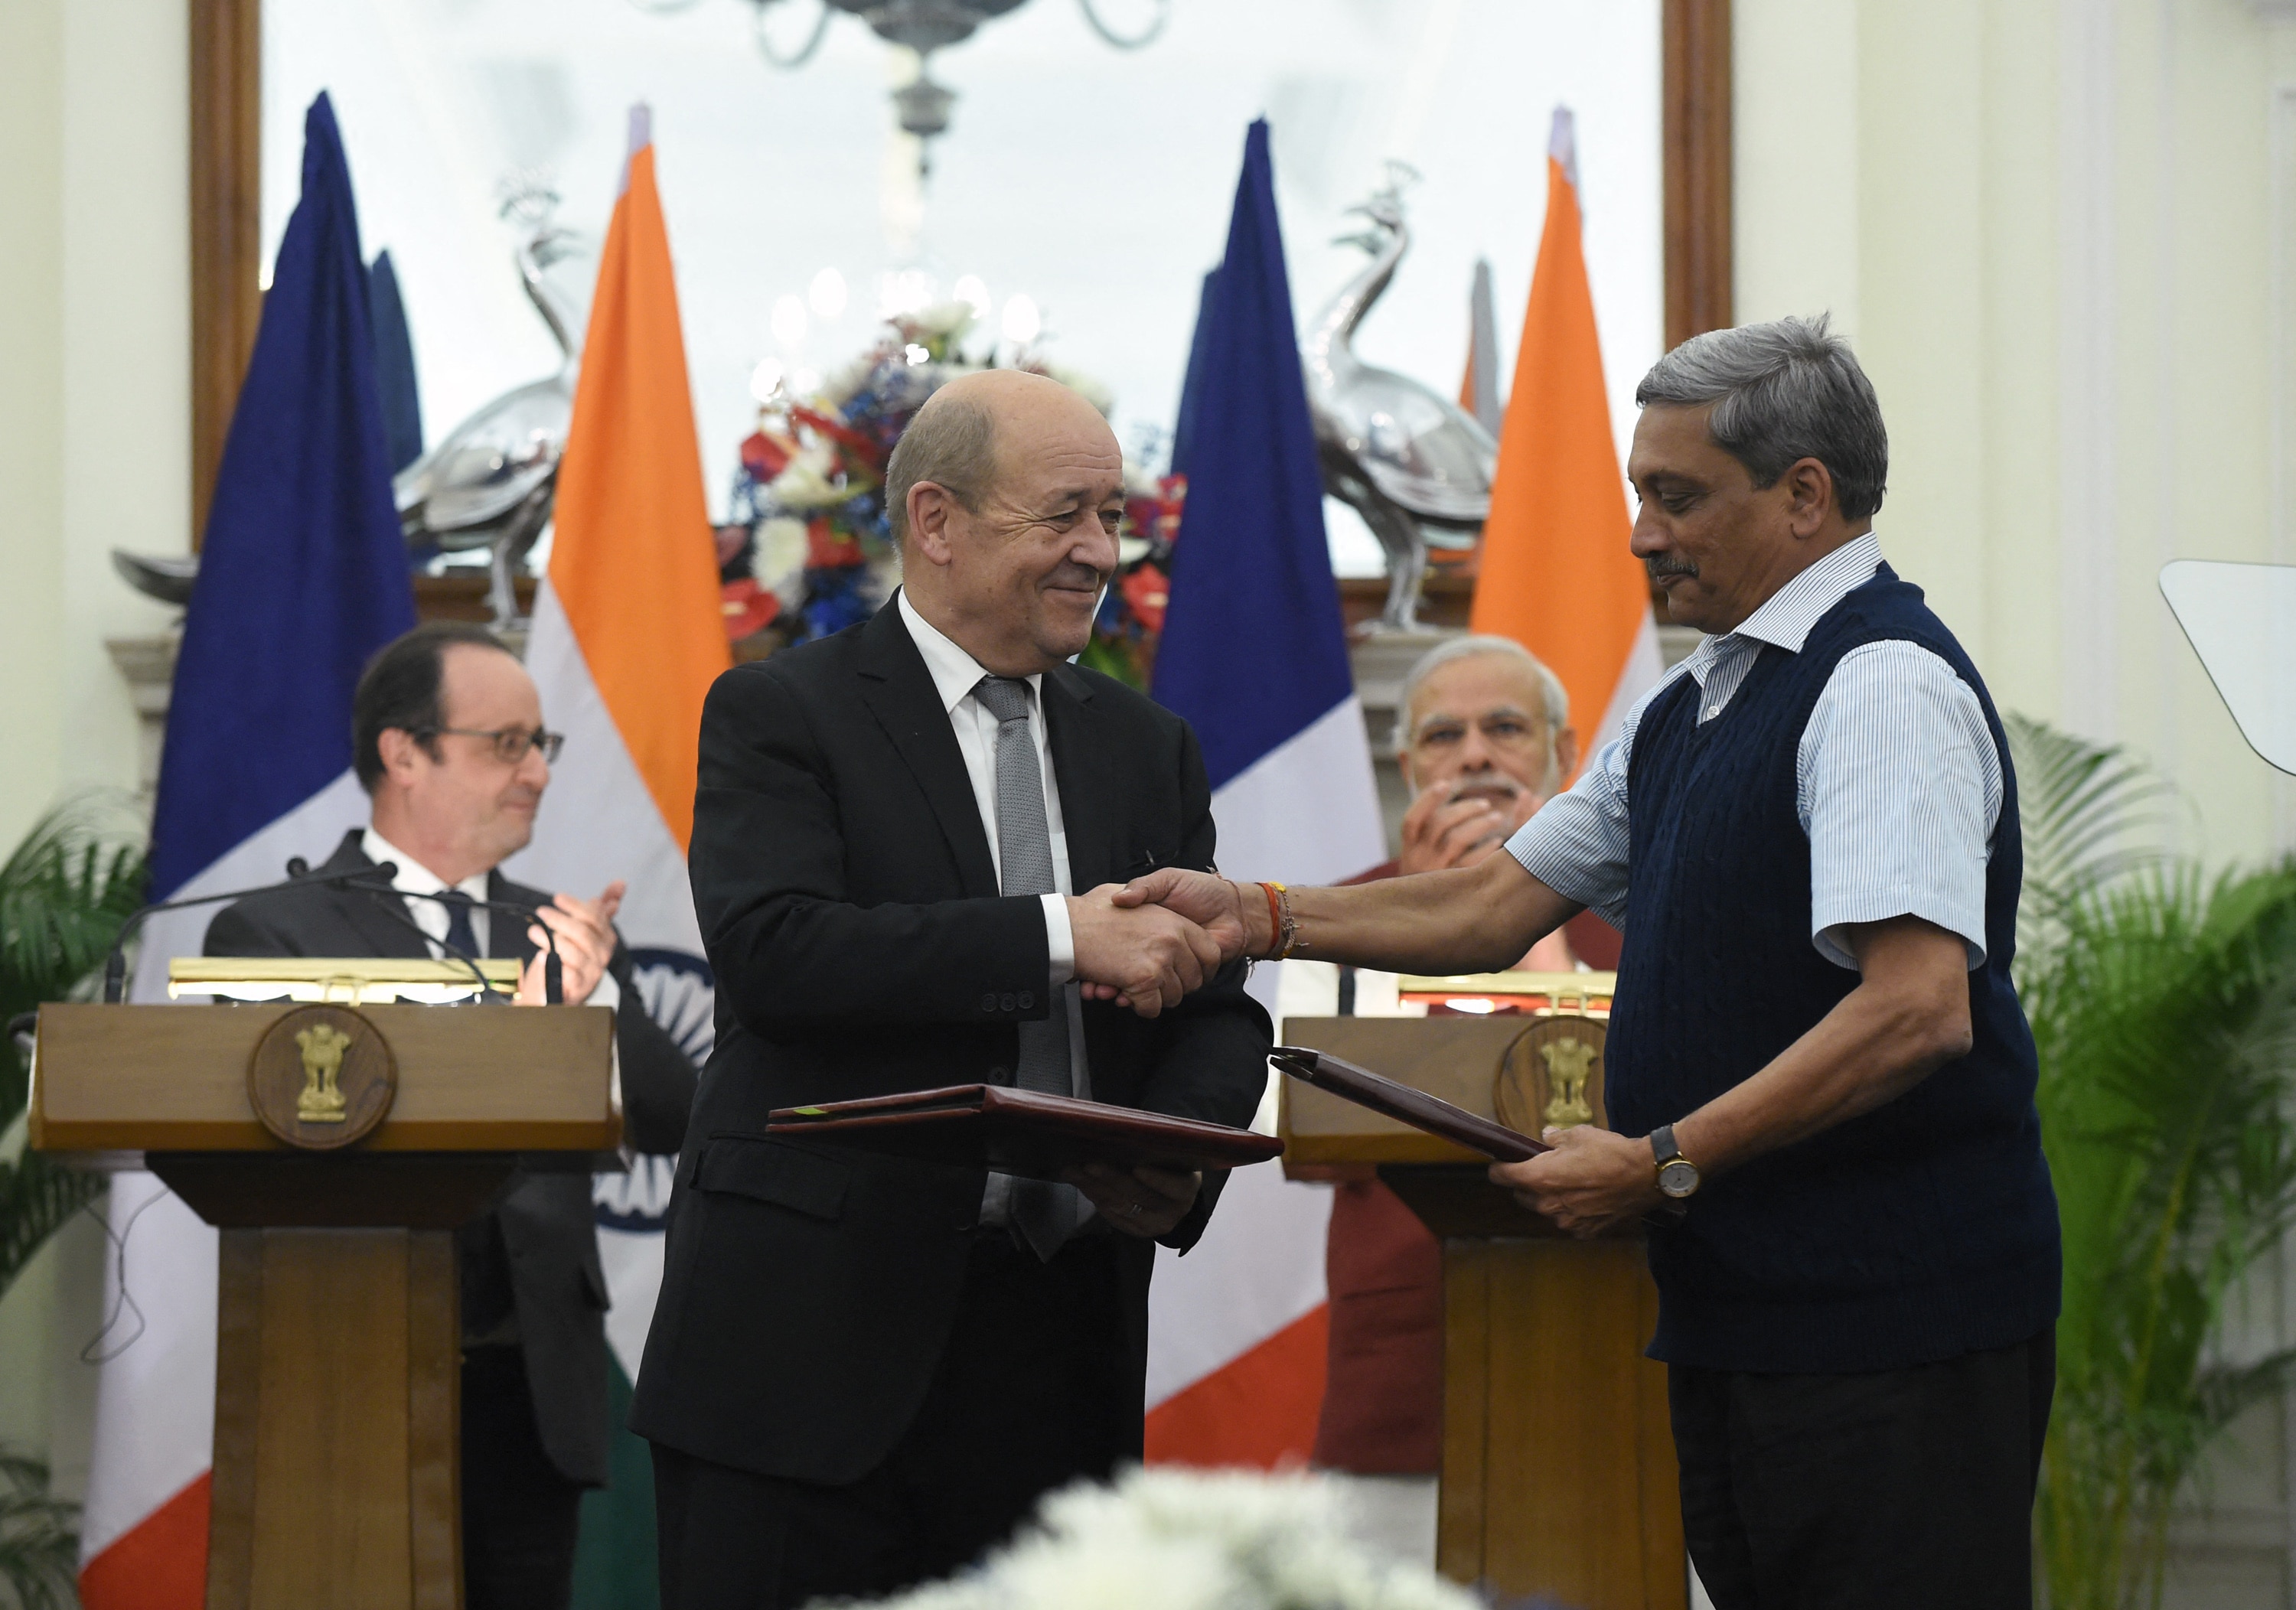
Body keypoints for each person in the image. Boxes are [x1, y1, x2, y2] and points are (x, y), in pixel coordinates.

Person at [1119, 316, 2061, 1609]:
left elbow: (1914, 1011)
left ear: (1805, 496)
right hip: (1750, 1319)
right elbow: (1490, 904)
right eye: (1635, 493)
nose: (1639, 533)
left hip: (1892, 1329)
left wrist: (1667, 1154)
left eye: (1676, 496)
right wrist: (1257, 909)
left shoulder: (1879, 686)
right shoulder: (1690, 705)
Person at [631, 369, 1272, 1610]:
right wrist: (1055, 934)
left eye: (1114, 514)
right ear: (936, 521)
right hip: (810, 1356)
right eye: (1064, 515)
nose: (1101, 549)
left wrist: (1180, 1143)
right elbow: (778, 951)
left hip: (1058, 1347)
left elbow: (1218, 999)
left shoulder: (1148, 746)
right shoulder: (781, 711)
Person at [204, 621, 699, 1610]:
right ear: (404, 754)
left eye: (540, 745)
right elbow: (290, 1138)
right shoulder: (272, 931)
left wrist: (588, 1002)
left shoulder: (556, 931)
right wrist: (509, 1040)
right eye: (504, 744)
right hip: (351, 1361)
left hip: (533, 1383)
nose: (537, 774)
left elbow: (673, 1112)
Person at [1313, 637, 1590, 1487]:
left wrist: (1530, 925)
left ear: (1564, 753)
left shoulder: (1649, 905)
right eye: (1443, 736)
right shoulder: (1330, 917)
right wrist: (1424, 929)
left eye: (1504, 726)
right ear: (1407, 762)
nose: (1473, 753)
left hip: (1609, 1322)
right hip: (1410, 1348)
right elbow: (1324, 1128)